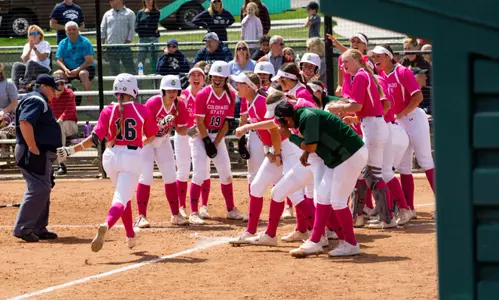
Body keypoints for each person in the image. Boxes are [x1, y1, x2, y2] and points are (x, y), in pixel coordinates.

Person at [57, 73, 158, 252]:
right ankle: (107, 224)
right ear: (133, 90)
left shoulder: (107, 110)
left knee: (123, 196)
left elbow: (94, 138)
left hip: (110, 157)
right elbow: (151, 135)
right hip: (131, 158)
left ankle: (130, 235)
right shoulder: (143, 110)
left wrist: (71, 150)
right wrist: (140, 141)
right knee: (120, 199)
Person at [274, 102, 368, 257]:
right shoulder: (304, 116)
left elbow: (311, 146)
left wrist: (290, 136)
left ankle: (351, 244)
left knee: (337, 201)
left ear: (287, 118)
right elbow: (314, 142)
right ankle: (315, 240)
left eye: (282, 121)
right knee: (323, 196)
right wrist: (305, 152)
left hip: (349, 155)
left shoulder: (306, 117)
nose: (284, 125)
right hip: (341, 157)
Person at [230, 91, 317, 246]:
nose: (238, 87)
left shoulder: (291, 106)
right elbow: (272, 126)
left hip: (290, 150)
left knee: (295, 193)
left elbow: (275, 130)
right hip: (280, 150)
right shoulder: (277, 104)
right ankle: (252, 231)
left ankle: (317, 232)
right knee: (258, 186)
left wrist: (275, 153)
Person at [328, 49, 395, 229]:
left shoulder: (359, 76)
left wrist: (337, 108)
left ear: (357, 60)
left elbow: (357, 105)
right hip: (374, 125)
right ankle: (375, 216)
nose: (343, 66)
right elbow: (367, 106)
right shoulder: (365, 74)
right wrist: (353, 115)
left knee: (368, 173)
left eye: (346, 62)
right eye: (342, 63)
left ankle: (383, 218)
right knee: (369, 172)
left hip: (373, 127)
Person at [369, 45, 435, 219]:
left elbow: (418, 96)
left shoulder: (402, 72)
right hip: (399, 123)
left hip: (414, 118)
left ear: (389, 56)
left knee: (425, 161)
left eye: (379, 56)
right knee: (404, 167)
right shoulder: (382, 75)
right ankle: (409, 208)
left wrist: (402, 114)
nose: (375, 59)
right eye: (373, 56)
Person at [190, 61, 245, 221]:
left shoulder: (230, 95)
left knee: (226, 172)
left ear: (226, 78)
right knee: (200, 173)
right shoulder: (203, 94)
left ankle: (230, 209)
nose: (217, 79)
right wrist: (207, 141)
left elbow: (226, 124)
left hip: (217, 135)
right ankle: (194, 212)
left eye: (221, 77)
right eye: (215, 76)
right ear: (210, 76)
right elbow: (199, 122)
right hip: (201, 135)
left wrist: (215, 143)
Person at [135, 75, 190, 228]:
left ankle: (175, 214)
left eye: (175, 90)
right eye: (169, 90)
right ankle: (141, 216)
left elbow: (180, 129)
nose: (172, 93)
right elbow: (147, 130)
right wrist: (160, 124)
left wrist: (193, 131)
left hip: (163, 139)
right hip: (147, 140)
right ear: (163, 91)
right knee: (146, 177)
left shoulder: (179, 105)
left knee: (171, 176)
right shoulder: (153, 103)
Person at [12, 74, 62, 243]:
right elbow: (25, 122)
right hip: (32, 151)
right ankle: (23, 228)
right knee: (39, 188)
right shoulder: (37, 100)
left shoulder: (37, 100)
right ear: (44, 86)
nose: (55, 94)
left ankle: (38, 227)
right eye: (53, 90)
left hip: (37, 151)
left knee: (44, 187)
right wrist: (33, 147)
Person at [175, 65, 211, 222]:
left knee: (205, 170)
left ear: (204, 79)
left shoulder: (207, 94)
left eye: (200, 75)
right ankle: (181, 206)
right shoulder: (182, 96)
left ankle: (203, 206)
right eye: (193, 75)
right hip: (184, 135)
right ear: (188, 78)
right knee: (183, 170)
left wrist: (198, 132)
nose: (196, 78)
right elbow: (178, 122)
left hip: (201, 135)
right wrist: (192, 132)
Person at [53, 21, 95, 105]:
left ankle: (90, 102)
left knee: (83, 74)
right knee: (57, 74)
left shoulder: (85, 42)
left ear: (78, 30)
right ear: (66, 32)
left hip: (84, 67)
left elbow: (89, 61)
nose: (71, 31)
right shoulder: (63, 43)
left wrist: (77, 70)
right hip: (68, 68)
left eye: (74, 29)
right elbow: (59, 60)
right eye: (69, 30)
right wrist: (65, 70)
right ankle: (61, 102)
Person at [49, 74, 77, 176]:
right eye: (58, 83)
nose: (60, 86)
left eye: (62, 83)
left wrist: (59, 119)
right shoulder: (50, 95)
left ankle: (61, 164)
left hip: (70, 125)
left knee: (60, 126)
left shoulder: (70, 94)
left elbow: (70, 110)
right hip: (54, 125)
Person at [327, 32, 369, 97]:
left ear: (365, 46)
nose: (355, 44)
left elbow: (358, 57)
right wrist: (339, 87)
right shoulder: (342, 58)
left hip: (363, 96)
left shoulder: (367, 60)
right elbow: (340, 82)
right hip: (347, 96)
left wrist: (339, 46)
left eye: (358, 42)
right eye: (353, 41)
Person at [101, 0, 136, 75]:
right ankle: (116, 86)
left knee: (130, 69)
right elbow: (102, 29)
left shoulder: (130, 13)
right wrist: (102, 45)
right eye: (110, 1)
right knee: (114, 70)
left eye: (112, 1)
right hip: (111, 47)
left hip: (124, 47)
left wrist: (127, 43)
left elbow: (132, 30)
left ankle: (133, 86)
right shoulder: (107, 14)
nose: (110, 2)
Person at [11, 25, 51, 90]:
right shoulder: (27, 46)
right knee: (16, 65)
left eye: (35, 33)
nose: (33, 35)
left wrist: (34, 49)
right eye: (31, 34)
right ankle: (14, 88)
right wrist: (30, 49)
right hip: (29, 68)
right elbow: (24, 60)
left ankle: (25, 85)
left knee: (30, 62)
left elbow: (42, 58)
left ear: (40, 35)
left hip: (42, 68)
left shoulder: (45, 44)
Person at [135, 0, 160, 74]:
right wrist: (147, 28)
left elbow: (153, 26)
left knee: (154, 59)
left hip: (153, 39)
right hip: (142, 39)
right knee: (140, 59)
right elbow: (136, 28)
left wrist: (143, 27)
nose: (148, 1)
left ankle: (155, 74)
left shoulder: (156, 12)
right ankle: (140, 73)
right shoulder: (140, 13)